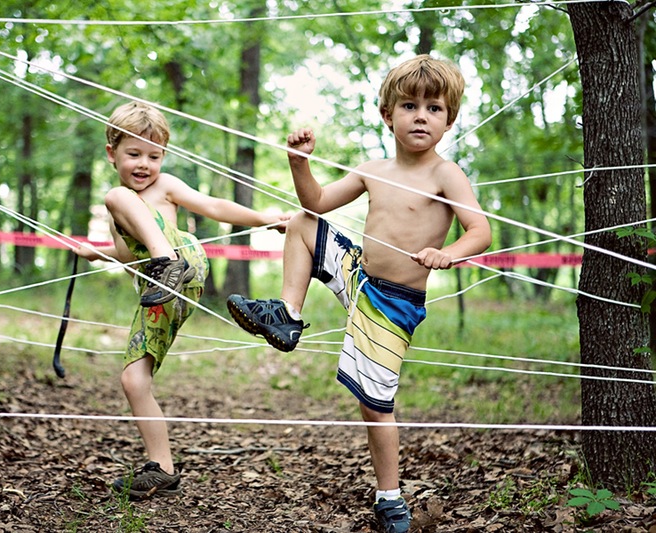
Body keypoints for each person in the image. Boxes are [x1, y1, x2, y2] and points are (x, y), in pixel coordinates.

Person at [227, 54, 491, 532]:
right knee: (303, 223)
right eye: (409, 105)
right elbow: (317, 202)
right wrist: (298, 162)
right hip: (359, 278)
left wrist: (449, 252)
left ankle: (390, 497)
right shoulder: (373, 168)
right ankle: (286, 314)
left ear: (449, 120)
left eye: (434, 108)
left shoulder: (445, 175)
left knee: (375, 405)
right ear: (388, 115)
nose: (421, 116)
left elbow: (481, 230)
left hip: (393, 303)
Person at [74, 101, 289, 500]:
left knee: (115, 196)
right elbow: (127, 254)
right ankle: (163, 468)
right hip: (158, 290)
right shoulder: (118, 210)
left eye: (153, 156)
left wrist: (265, 217)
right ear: (111, 153)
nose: (144, 165)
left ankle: (165, 261)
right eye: (134, 154)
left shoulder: (159, 187)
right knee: (133, 379)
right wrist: (96, 253)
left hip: (182, 265)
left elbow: (213, 207)